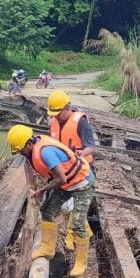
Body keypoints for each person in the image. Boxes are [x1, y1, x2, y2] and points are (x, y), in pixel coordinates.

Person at [7, 124, 95, 277]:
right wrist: (31, 188)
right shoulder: (31, 150)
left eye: (21, 150)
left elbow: (61, 178)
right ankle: (47, 249)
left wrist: (42, 190)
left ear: (29, 143)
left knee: (77, 224)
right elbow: (30, 166)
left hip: (82, 183)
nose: (21, 154)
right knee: (47, 211)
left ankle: (81, 262)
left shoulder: (46, 153)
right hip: (67, 184)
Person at [46, 90, 98, 251]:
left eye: (58, 112)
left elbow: (91, 146)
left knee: (75, 207)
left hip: (81, 171)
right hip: (63, 171)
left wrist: (80, 155)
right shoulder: (54, 122)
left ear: (66, 108)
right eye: (53, 113)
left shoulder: (80, 123)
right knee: (68, 207)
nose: (55, 116)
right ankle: (84, 235)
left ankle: (74, 239)